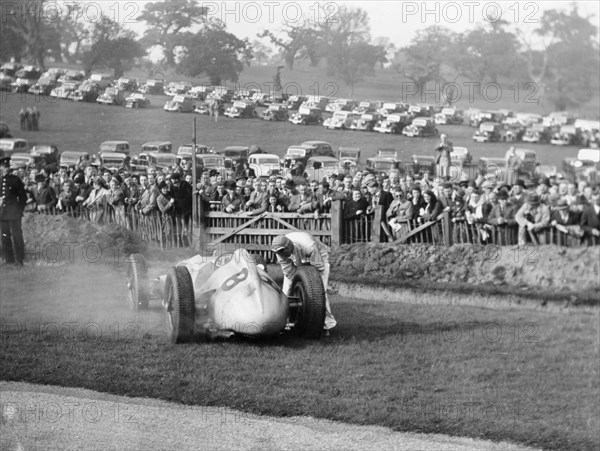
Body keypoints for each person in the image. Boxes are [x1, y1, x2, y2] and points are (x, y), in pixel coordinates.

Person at [272, 232, 336, 332]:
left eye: (283, 251)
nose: (282, 254)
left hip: (320, 258)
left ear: (289, 246)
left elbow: (318, 269)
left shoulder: (309, 245)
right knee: (286, 291)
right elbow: (289, 272)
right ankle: (285, 321)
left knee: (320, 292)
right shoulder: (279, 252)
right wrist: (297, 288)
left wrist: (309, 286)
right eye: (279, 252)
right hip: (298, 259)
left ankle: (326, 324)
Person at [0, 156, 27, 266]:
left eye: (7, 166)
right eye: (4, 166)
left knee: (17, 236)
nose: (6, 168)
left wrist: (19, 209)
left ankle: (19, 259)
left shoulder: (15, 180)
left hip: (14, 213)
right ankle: (8, 259)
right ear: (0, 168)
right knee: (5, 236)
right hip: (2, 214)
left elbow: (23, 197)